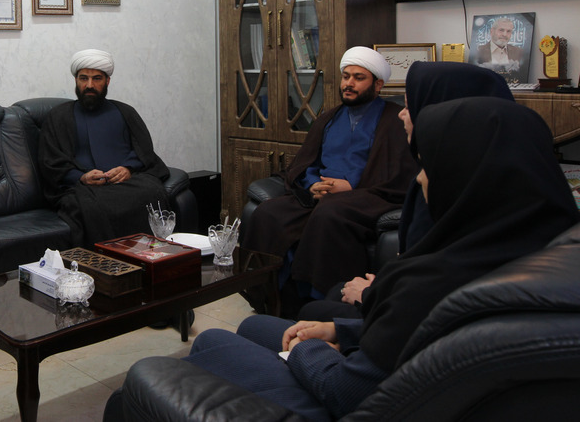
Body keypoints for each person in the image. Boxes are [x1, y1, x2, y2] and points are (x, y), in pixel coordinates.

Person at [124, 98, 579, 421]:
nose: (419, 178)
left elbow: (347, 389)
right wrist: (341, 331)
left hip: (349, 397)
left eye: (427, 166)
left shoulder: (434, 275)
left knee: (197, 350)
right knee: (252, 324)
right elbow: (419, 332)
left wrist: (309, 349)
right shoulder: (534, 248)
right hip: (382, 366)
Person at [298, 61, 514, 322]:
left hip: (422, 318)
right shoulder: (444, 169)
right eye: (346, 76)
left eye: (410, 107)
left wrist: (370, 296)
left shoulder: (463, 186)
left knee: (313, 310)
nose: (401, 114)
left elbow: (444, 287)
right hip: (409, 298)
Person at [241, 47, 417, 314]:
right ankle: (270, 296)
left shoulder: (394, 119)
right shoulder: (329, 118)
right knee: (267, 213)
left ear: (378, 84)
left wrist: (351, 186)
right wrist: (313, 184)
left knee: (329, 213)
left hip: (368, 195)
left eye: (359, 78)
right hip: (320, 194)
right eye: (346, 76)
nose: (349, 83)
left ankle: (317, 303)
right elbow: (308, 162)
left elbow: (397, 172)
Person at [38, 49, 170, 247]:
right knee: (88, 205)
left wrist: (128, 168)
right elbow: (50, 162)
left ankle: (151, 255)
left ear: (107, 81)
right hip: (82, 188)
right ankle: (107, 260)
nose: (89, 85)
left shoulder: (125, 112)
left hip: (126, 183)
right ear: (76, 80)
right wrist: (81, 177)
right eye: (84, 78)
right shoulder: (58, 116)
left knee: (152, 190)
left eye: (97, 78)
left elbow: (144, 151)